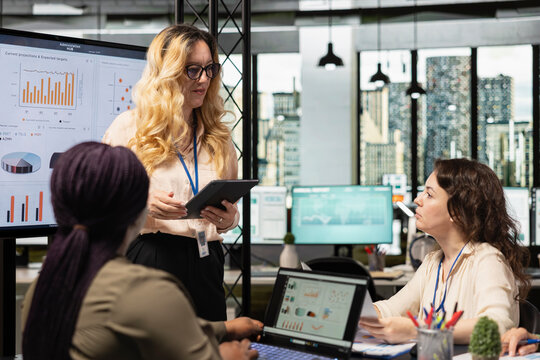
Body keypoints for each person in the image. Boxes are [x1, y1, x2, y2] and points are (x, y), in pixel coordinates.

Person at [21, 142, 260, 360]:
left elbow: (140, 324)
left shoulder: (43, 288)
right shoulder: (147, 290)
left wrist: (225, 330)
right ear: (138, 212)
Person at [102, 24, 239, 321]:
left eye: (209, 68)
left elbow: (229, 203)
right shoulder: (129, 128)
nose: (204, 79)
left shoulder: (219, 137)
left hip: (207, 259)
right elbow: (99, 205)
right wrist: (138, 201)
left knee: (210, 348)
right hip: (151, 256)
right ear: (167, 72)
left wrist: (230, 218)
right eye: (192, 70)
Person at [359, 158, 530, 344]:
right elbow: (390, 310)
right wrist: (349, 313)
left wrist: (418, 330)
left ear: (457, 211)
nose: (417, 199)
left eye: (429, 194)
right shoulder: (433, 261)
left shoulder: (487, 259)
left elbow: (496, 325)